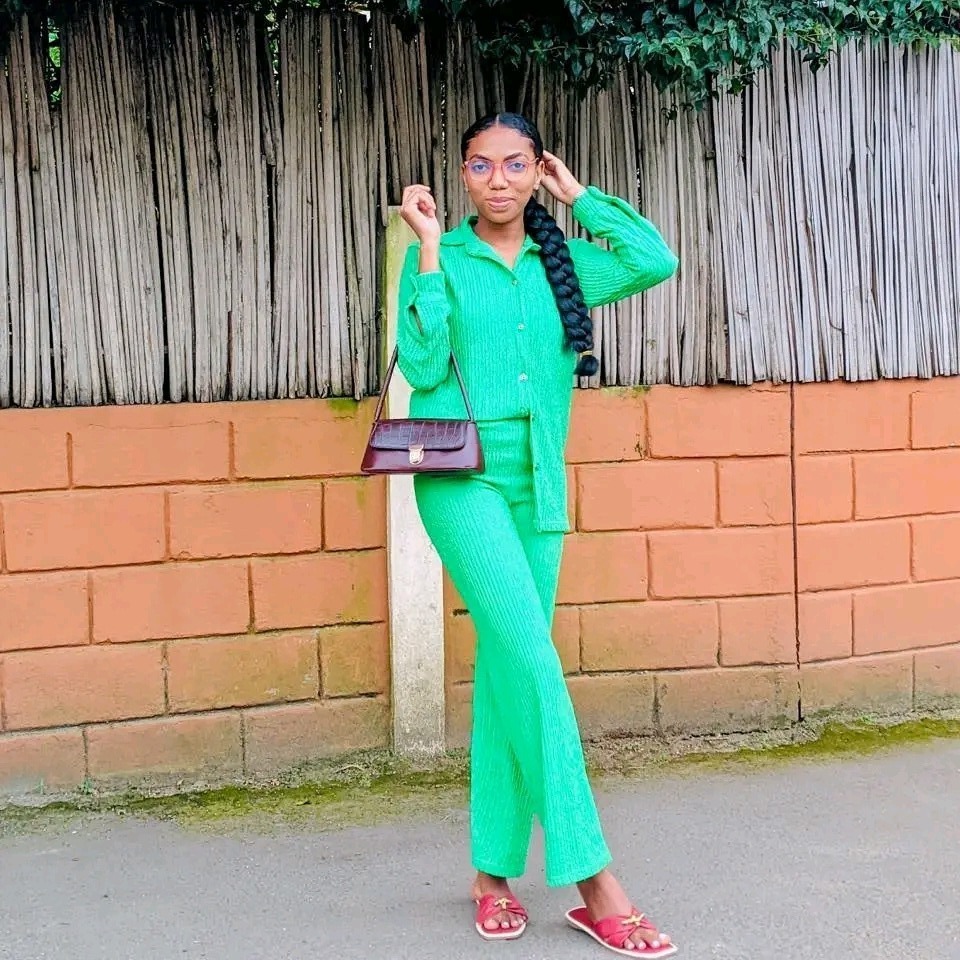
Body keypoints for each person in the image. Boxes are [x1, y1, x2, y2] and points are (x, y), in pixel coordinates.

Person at [396, 112, 679, 957]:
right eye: (482, 166)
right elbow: (421, 364)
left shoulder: (565, 267)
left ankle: (491, 874)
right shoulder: (444, 256)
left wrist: (580, 196)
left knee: (508, 670)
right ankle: (596, 882)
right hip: (462, 483)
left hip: (539, 491)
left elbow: (653, 260)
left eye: (516, 165)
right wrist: (429, 250)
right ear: (462, 176)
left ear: (536, 171)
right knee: (534, 662)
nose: (499, 180)